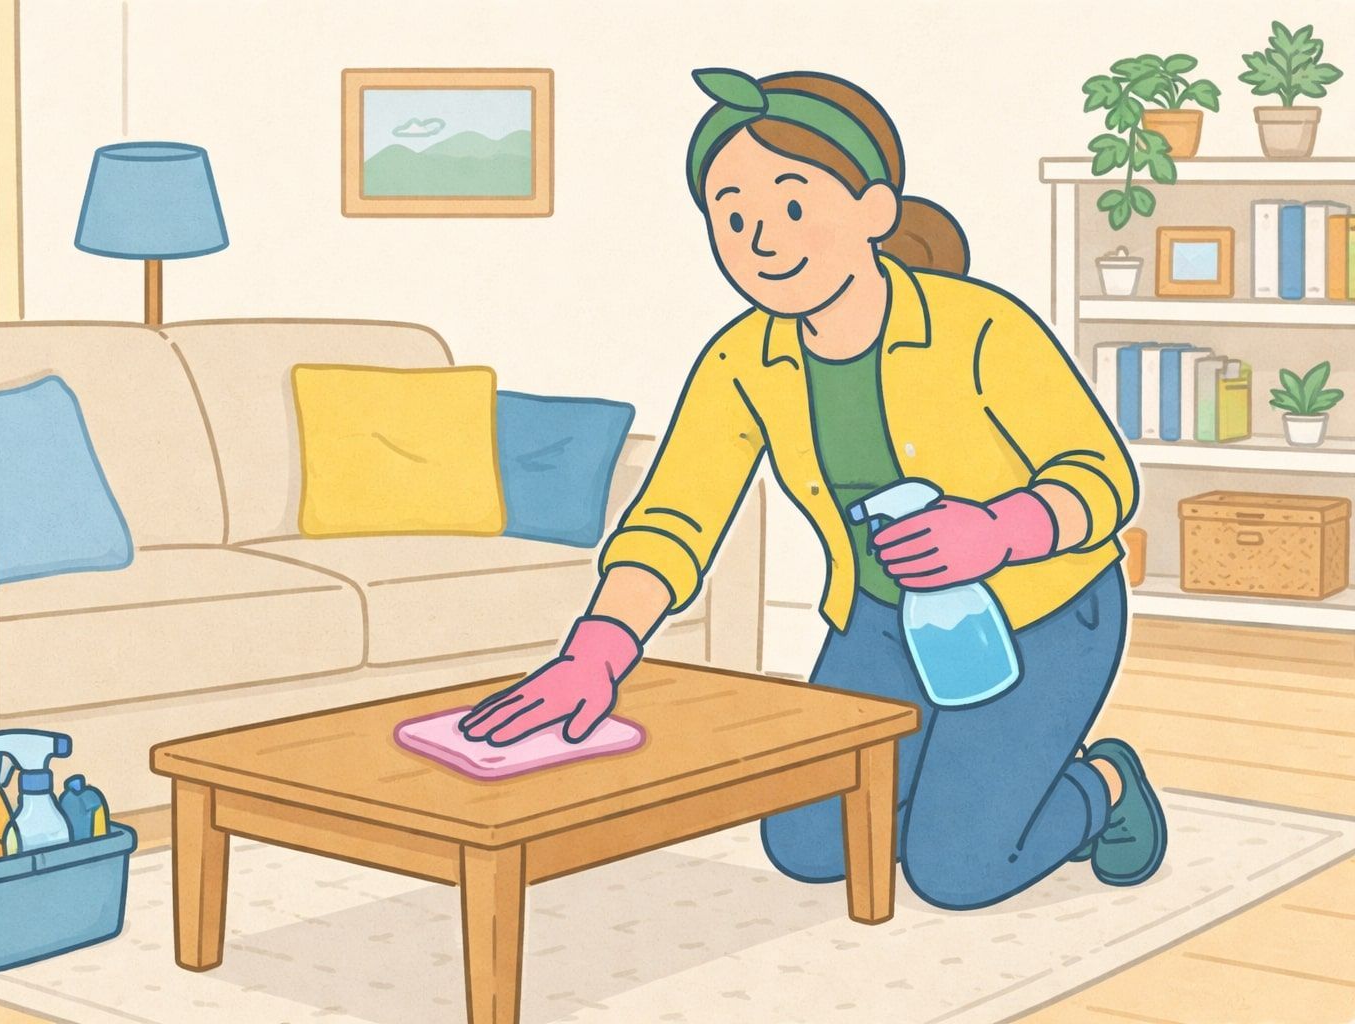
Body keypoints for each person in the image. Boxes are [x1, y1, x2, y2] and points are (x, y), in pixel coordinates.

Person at [460, 68, 1165, 909]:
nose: (760, 239)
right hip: (881, 622)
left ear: (874, 209)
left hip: (1039, 614)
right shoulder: (741, 362)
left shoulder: (980, 326)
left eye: (792, 206)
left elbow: (1100, 476)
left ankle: (1104, 785)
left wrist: (998, 531)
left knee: (956, 873)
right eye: (731, 217)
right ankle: (961, 783)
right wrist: (598, 651)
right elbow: (674, 520)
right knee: (806, 844)